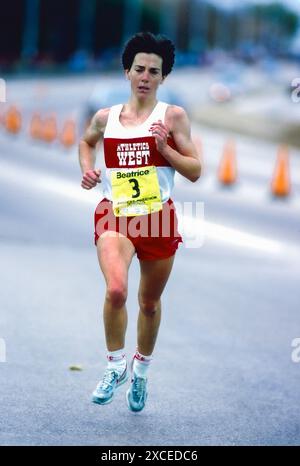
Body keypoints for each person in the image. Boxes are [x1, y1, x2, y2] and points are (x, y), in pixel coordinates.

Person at [78, 32, 201, 412]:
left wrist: (165, 148)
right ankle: (115, 366)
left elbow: (195, 171)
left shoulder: (173, 116)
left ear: (163, 77)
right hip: (116, 214)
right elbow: (86, 142)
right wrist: (87, 170)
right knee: (116, 289)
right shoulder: (106, 117)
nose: (145, 76)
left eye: (154, 71)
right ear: (127, 72)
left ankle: (141, 371)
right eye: (139, 69)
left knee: (149, 303)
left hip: (157, 219)